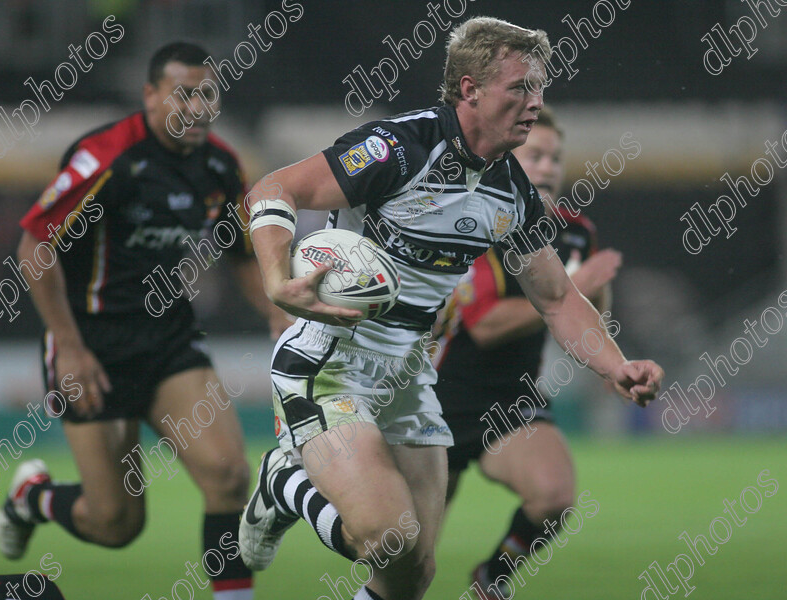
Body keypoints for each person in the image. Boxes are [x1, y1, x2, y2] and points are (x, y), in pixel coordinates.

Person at [239, 17, 663, 600]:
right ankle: (282, 482)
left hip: (409, 374)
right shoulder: (397, 147)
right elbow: (271, 190)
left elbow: (558, 297)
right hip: (330, 363)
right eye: (518, 88)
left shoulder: (510, 190)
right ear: (469, 89)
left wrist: (619, 367)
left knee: (410, 577)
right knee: (388, 537)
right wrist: (275, 280)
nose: (535, 103)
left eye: (540, 88)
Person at [0, 42, 286, 600]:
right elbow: (35, 245)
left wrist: (278, 314)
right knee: (116, 525)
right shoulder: (107, 157)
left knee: (229, 478)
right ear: (150, 95)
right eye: (184, 93)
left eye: (208, 95)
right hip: (92, 345)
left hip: (168, 340)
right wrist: (70, 347)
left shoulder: (220, 165)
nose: (198, 107)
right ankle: (31, 497)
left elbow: (243, 256)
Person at [431, 107, 622, 596]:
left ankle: (492, 577)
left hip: (513, 397)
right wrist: (574, 287)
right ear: (507, 159)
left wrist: (611, 363)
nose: (548, 167)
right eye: (535, 155)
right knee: (409, 556)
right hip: (437, 401)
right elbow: (486, 325)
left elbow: (584, 312)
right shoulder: (475, 221)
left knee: (554, 496)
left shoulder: (575, 230)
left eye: (555, 158)